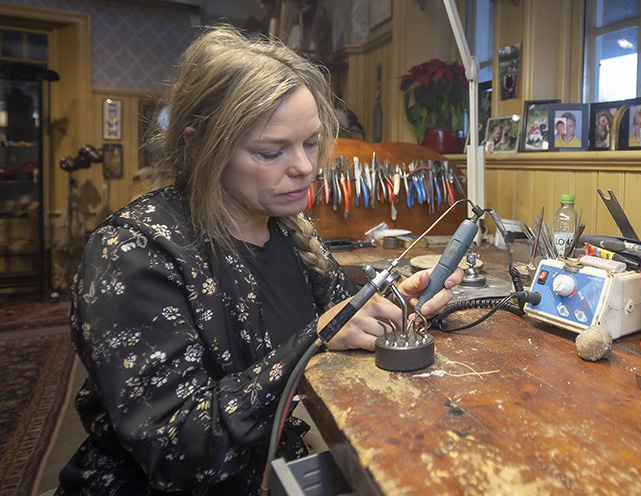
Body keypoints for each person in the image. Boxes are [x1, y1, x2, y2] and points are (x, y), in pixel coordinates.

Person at [56, 25, 461, 495]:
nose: (305, 167)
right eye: (272, 152)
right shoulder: (133, 253)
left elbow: (339, 315)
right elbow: (178, 449)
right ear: (199, 146)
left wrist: (393, 306)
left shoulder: (288, 229)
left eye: (311, 143)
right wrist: (316, 337)